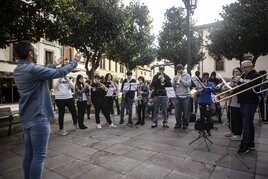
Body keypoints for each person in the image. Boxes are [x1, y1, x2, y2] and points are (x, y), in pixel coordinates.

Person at [13, 40, 80, 179]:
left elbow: (41, 72)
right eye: (35, 50)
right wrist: (74, 62)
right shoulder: (32, 70)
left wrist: (52, 65)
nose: (37, 52)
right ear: (30, 54)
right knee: (39, 156)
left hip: (27, 117)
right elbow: (60, 72)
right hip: (38, 117)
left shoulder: (18, 69)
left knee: (29, 154)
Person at [234, 60, 261, 154]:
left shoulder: (256, 75)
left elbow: (251, 85)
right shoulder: (245, 75)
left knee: (246, 125)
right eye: (242, 68)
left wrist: (240, 80)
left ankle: (244, 146)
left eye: (245, 68)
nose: (243, 70)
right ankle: (250, 143)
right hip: (244, 101)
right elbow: (242, 87)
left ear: (251, 66)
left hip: (250, 102)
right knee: (249, 123)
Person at [225, 67, 243, 141]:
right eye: (234, 71)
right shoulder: (233, 79)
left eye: (237, 71)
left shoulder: (241, 79)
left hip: (237, 103)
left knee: (237, 119)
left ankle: (238, 134)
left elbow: (238, 89)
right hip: (231, 102)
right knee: (230, 118)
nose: (235, 72)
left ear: (240, 72)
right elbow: (228, 89)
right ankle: (232, 131)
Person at [173, 64, 192, 129]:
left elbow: (189, 84)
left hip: (186, 96)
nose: (179, 71)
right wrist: (175, 80)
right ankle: (178, 123)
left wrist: (181, 80)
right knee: (177, 112)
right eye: (178, 70)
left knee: (185, 112)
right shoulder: (176, 76)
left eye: (180, 69)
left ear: (182, 69)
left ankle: (185, 124)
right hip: (178, 96)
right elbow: (173, 86)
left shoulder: (187, 75)